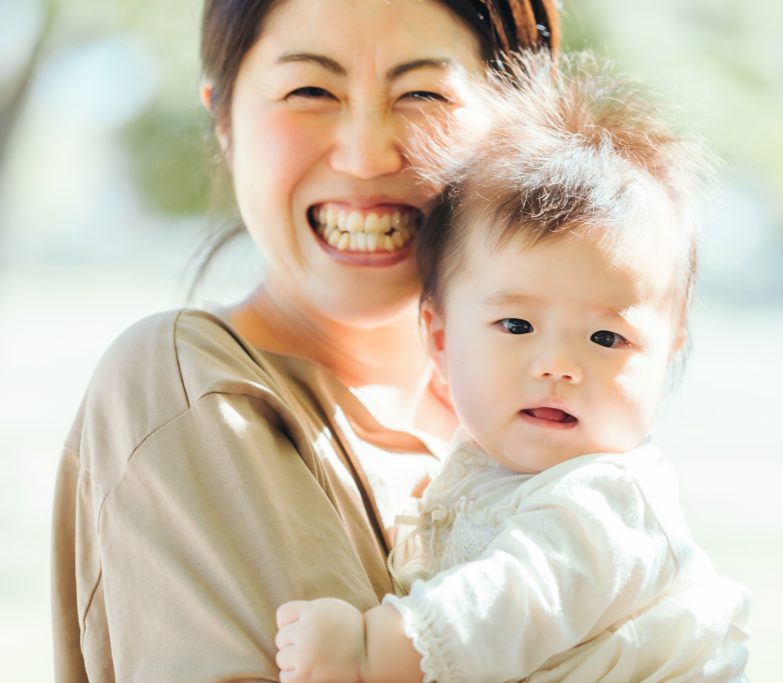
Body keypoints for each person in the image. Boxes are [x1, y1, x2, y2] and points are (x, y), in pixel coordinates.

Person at [51, 1, 559, 680]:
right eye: (311, 90)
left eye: (422, 93)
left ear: (519, 125)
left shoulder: (547, 416)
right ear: (224, 122)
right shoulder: (189, 393)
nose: (366, 153)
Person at [273, 51, 751, 683]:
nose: (558, 365)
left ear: (669, 350)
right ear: (439, 338)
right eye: (518, 327)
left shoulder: (609, 499)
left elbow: (516, 601)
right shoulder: (480, 464)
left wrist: (371, 651)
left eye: (607, 337)